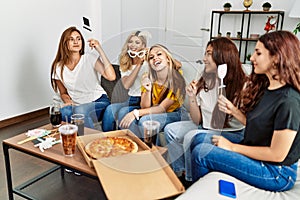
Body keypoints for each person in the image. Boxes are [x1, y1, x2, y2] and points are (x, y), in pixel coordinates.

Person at [191, 30, 300, 192]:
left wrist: (232, 147)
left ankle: (200, 192)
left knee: (201, 153)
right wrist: (234, 111)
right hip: (258, 155)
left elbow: (277, 155)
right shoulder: (267, 88)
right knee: (199, 139)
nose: (252, 58)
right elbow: (261, 126)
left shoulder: (289, 101)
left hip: (276, 172)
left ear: (276, 58)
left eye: (258, 53)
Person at [164, 37, 248, 184]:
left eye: (209, 54)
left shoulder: (243, 84)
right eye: (205, 53)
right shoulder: (203, 78)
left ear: (223, 56)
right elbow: (197, 120)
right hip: (205, 126)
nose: (204, 59)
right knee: (170, 130)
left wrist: (233, 109)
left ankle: (189, 181)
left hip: (230, 132)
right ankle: (180, 171)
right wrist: (191, 97)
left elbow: (250, 121)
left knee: (191, 137)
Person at [119, 44, 189, 140]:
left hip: (176, 112)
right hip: (155, 110)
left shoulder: (177, 77)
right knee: (125, 114)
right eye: (151, 57)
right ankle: (133, 148)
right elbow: (145, 107)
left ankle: (150, 151)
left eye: (159, 54)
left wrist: (135, 113)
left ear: (168, 59)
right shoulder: (147, 76)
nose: (155, 58)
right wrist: (148, 90)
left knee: (146, 121)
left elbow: (162, 108)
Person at [50, 26, 116, 129]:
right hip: (76, 104)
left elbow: (111, 77)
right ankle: (76, 139)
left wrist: (99, 50)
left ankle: (89, 141)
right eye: (71, 39)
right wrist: (67, 101)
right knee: (63, 112)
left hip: (98, 101)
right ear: (65, 43)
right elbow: (63, 92)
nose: (76, 42)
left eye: (78, 39)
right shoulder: (58, 67)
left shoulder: (89, 58)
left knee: (80, 111)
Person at [102, 31, 150, 131]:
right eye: (130, 42)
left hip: (145, 100)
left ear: (143, 45)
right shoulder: (125, 61)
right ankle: (106, 139)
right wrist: (138, 65)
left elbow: (177, 64)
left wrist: (153, 52)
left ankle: (123, 141)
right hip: (131, 99)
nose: (133, 45)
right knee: (110, 110)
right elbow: (127, 85)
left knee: (123, 112)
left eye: (137, 42)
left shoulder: (150, 59)